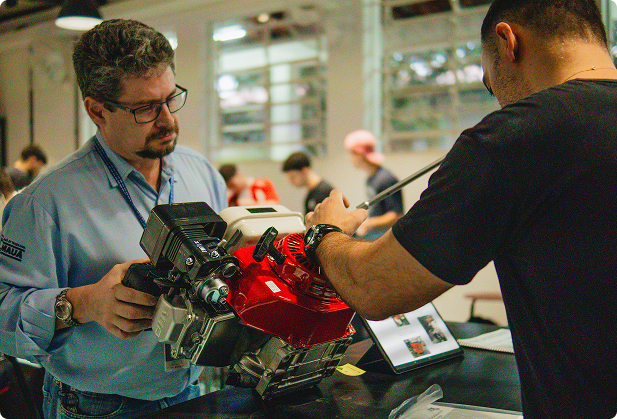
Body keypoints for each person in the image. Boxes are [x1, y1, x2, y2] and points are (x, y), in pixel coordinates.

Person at [304, 1, 617, 418]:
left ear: (508, 43)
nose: (500, 100)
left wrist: (325, 233)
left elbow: (375, 288)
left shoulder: (514, 138)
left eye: (491, 85)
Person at [0, 19, 227, 419]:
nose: (168, 120)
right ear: (96, 110)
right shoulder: (45, 201)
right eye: (145, 109)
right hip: (96, 406)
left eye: (171, 98)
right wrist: (82, 303)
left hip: (193, 390)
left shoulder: (201, 173)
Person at [343, 130, 403, 240]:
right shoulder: (371, 179)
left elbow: (396, 215)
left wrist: (367, 223)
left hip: (384, 237)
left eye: (351, 154)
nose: (349, 159)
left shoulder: (386, 179)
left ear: (359, 154)